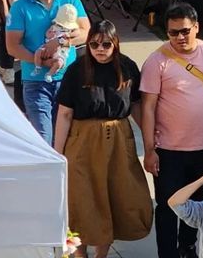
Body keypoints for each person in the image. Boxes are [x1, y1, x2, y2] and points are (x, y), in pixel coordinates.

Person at [53, 19, 153, 257]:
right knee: (81, 200)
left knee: (115, 197)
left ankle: (102, 255)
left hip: (118, 140)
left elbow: (137, 107)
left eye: (106, 44)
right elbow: (65, 113)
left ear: (115, 44)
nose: (100, 49)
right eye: (94, 44)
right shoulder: (76, 70)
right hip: (82, 139)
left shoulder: (127, 67)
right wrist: (57, 154)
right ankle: (79, 253)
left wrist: (151, 144)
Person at [140, 1, 203, 258]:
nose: (179, 37)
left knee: (197, 207)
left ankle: (189, 250)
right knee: (168, 208)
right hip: (168, 151)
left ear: (197, 27)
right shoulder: (157, 61)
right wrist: (149, 150)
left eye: (185, 31)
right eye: (173, 32)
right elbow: (147, 107)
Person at [5, 0, 89, 143]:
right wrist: (42, 60)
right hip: (35, 82)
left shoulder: (69, 0)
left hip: (68, 80)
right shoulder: (19, 7)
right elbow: (12, 47)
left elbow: (85, 32)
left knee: (66, 139)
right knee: (44, 138)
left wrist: (62, 41)